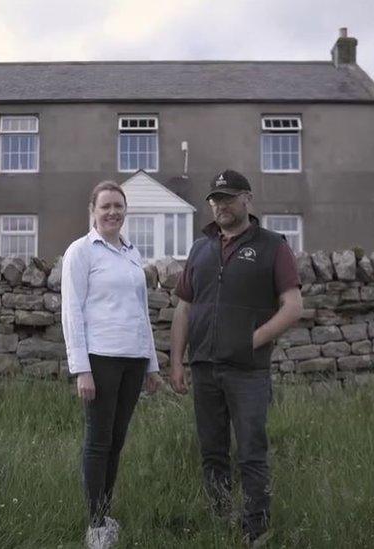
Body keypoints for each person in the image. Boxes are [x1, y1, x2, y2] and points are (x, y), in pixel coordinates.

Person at [169, 169, 303, 545]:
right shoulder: (201, 248)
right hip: (205, 370)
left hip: (248, 372)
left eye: (227, 197)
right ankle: (219, 520)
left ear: (247, 198)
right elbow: (184, 307)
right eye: (214, 199)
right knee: (212, 453)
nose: (220, 205)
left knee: (251, 454)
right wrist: (177, 361)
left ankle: (256, 530)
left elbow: (293, 307)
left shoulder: (273, 245)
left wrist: (252, 340)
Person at [61, 180, 163, 549]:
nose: (112, 212)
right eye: (105, 206)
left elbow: (141, 313)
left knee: (116, 441)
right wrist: (82, 369)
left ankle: (105, 513)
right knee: (98, 440)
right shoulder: (81, 251)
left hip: (133, 360)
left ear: (125, 211)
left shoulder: (132, 253)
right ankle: (95, 526)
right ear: (93, 211)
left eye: (118, 206)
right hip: (100, 359)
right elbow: (71, 311)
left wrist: (151, 365)